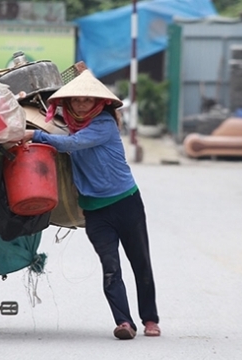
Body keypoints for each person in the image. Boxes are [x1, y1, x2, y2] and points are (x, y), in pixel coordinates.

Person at [22, 69, 160, 340]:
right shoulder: (67, 122)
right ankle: (124, 322)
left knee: (140, 262)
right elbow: (56, 127)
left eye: (88, 100)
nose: (82, 104)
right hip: (95, 211)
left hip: (126, 203)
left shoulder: (104, 124)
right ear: (69, 103)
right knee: (111, 267)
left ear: (100, 103)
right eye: (77, 100)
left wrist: (35, 136)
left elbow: (73, 144)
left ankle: (150, 319)